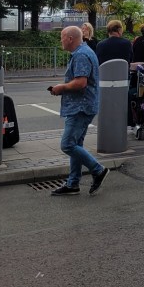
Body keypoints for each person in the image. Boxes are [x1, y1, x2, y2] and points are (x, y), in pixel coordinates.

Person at [48, 26, 108, 196]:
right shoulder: (84, 52)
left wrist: (61, 87)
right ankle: (73, 183)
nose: (60, 41)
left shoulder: (81, 55)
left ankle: (98, 170)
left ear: (70, 39)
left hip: (80, 107)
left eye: (62, 37)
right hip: (83, 105)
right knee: (76, 145)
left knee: (67, 145)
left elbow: (81, 82)